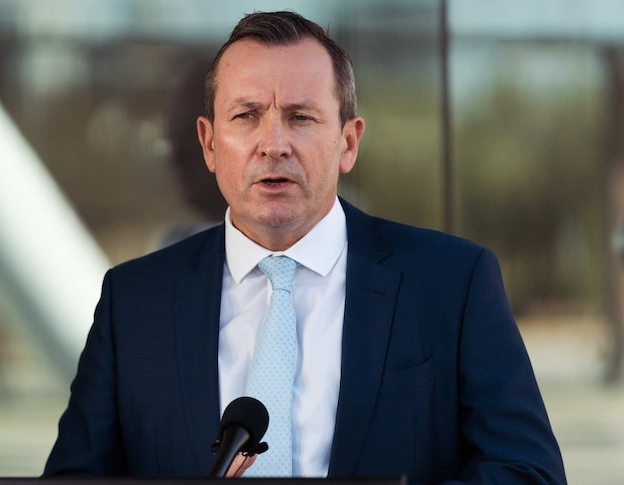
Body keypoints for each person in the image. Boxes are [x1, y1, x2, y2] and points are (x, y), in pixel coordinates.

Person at [42, 11, 567, 484]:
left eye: (301, 116)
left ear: (348, 142)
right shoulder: (134, 302)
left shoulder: (453, 283)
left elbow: (528, 473)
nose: (273, 144)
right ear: (208, 143)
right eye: (246, 115)